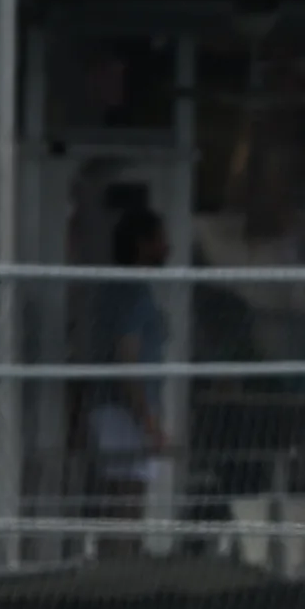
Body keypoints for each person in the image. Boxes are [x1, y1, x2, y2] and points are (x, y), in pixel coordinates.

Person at [87, 208, 173, 534]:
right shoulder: (131, 293)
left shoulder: (122, 290)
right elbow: (128, 357)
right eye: (161, 239)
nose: (168, 247)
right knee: (126, 501)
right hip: (123, 413)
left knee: (126, 500)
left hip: (124, 410)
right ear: (143, 244)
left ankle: (122, 560)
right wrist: (146, 418)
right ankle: (118, 567)